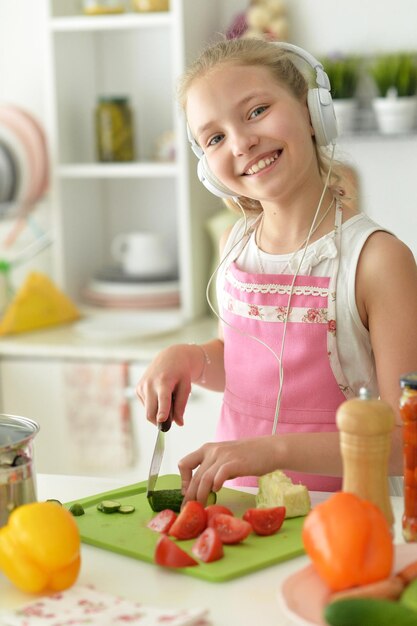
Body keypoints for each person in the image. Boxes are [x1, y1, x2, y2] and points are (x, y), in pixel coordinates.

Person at [136, 37, 417, 503]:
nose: (242, 142)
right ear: (207, 166)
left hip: (351, 518)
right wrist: (190, 357)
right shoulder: (236, 246)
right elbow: (248, 365)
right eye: (215, 137)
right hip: (242, 509)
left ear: (311, 111)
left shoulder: (377, 261)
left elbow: (405, 441)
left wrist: (271, 452)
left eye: (256, 110)